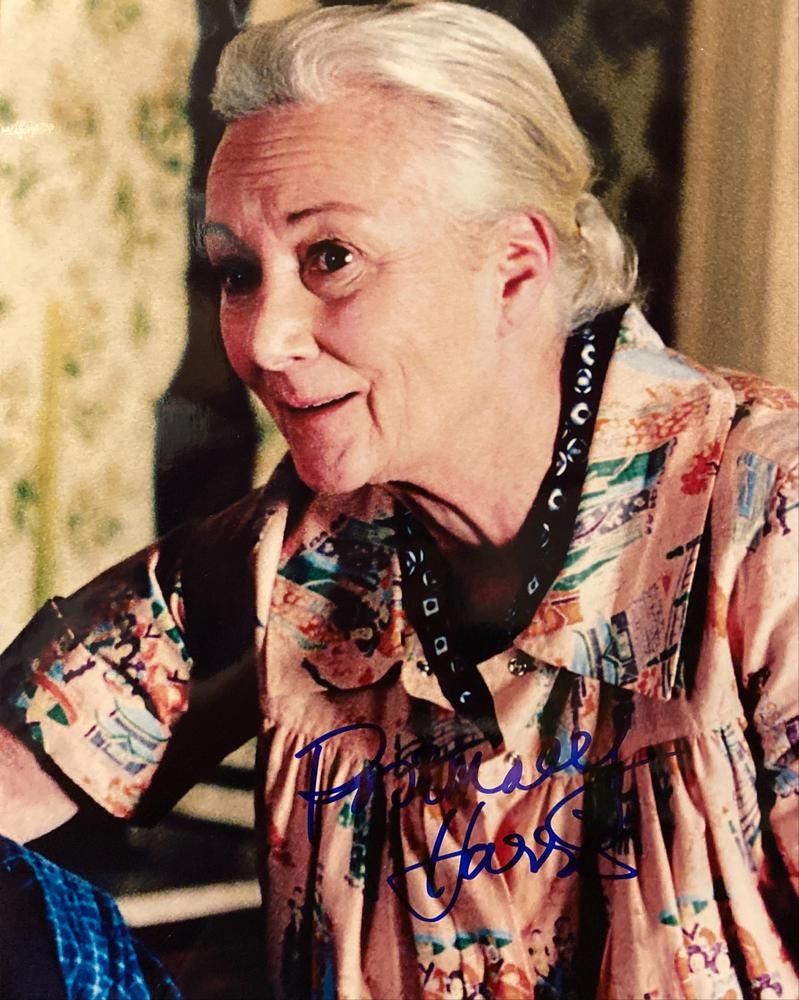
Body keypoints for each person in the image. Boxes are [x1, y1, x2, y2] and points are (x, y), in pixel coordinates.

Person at [1, 2, 797, 997]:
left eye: (330, 257)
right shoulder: (305, 540)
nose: (264, 339)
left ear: (513, 271)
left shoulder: (768, 520)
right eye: (238, 272)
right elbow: (25, 754)